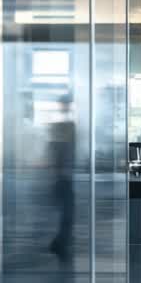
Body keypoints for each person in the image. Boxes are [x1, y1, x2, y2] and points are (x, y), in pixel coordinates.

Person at [48, 95, 77, 260]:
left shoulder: (64, 124)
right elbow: (60, 152)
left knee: (66, 211)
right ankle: (59, 243)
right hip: (63, 175)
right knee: (67, 211)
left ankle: (60, 242)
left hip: (63, 174)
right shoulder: (64, 124)